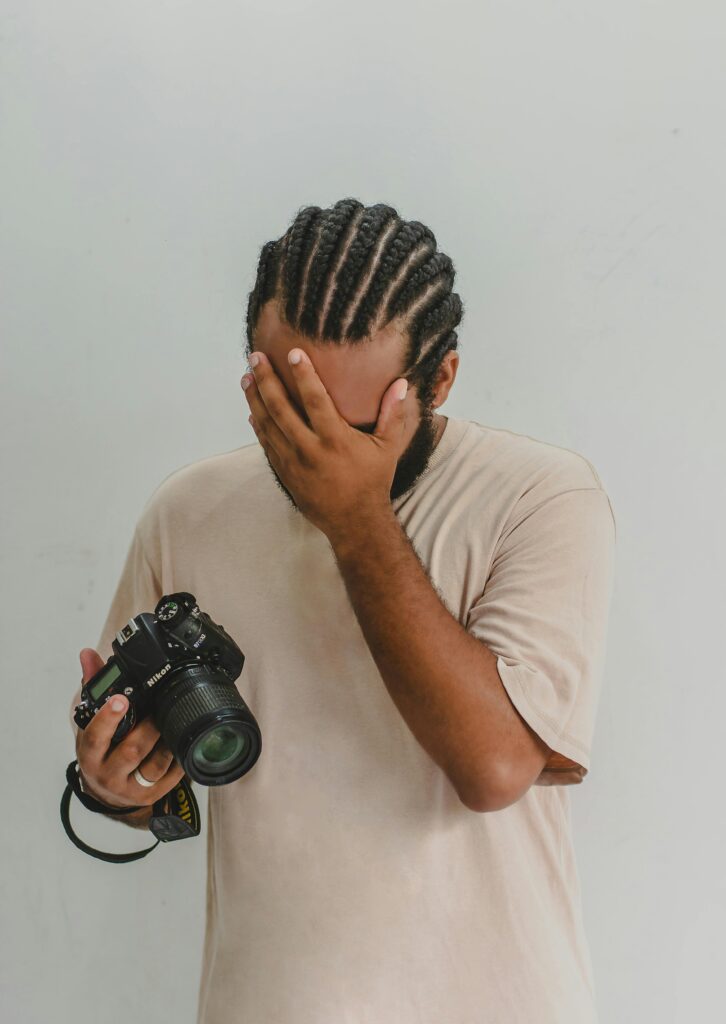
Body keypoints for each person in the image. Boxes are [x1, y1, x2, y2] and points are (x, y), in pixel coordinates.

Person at [69, 197, 616, 1024]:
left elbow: (495, 769)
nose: (311, 453)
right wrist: (118, 787)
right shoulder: (187, 513)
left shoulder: (539, 498)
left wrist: (356, 518)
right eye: (287, 413)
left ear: (439, 381)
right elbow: (154, 781)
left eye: (350, 427)